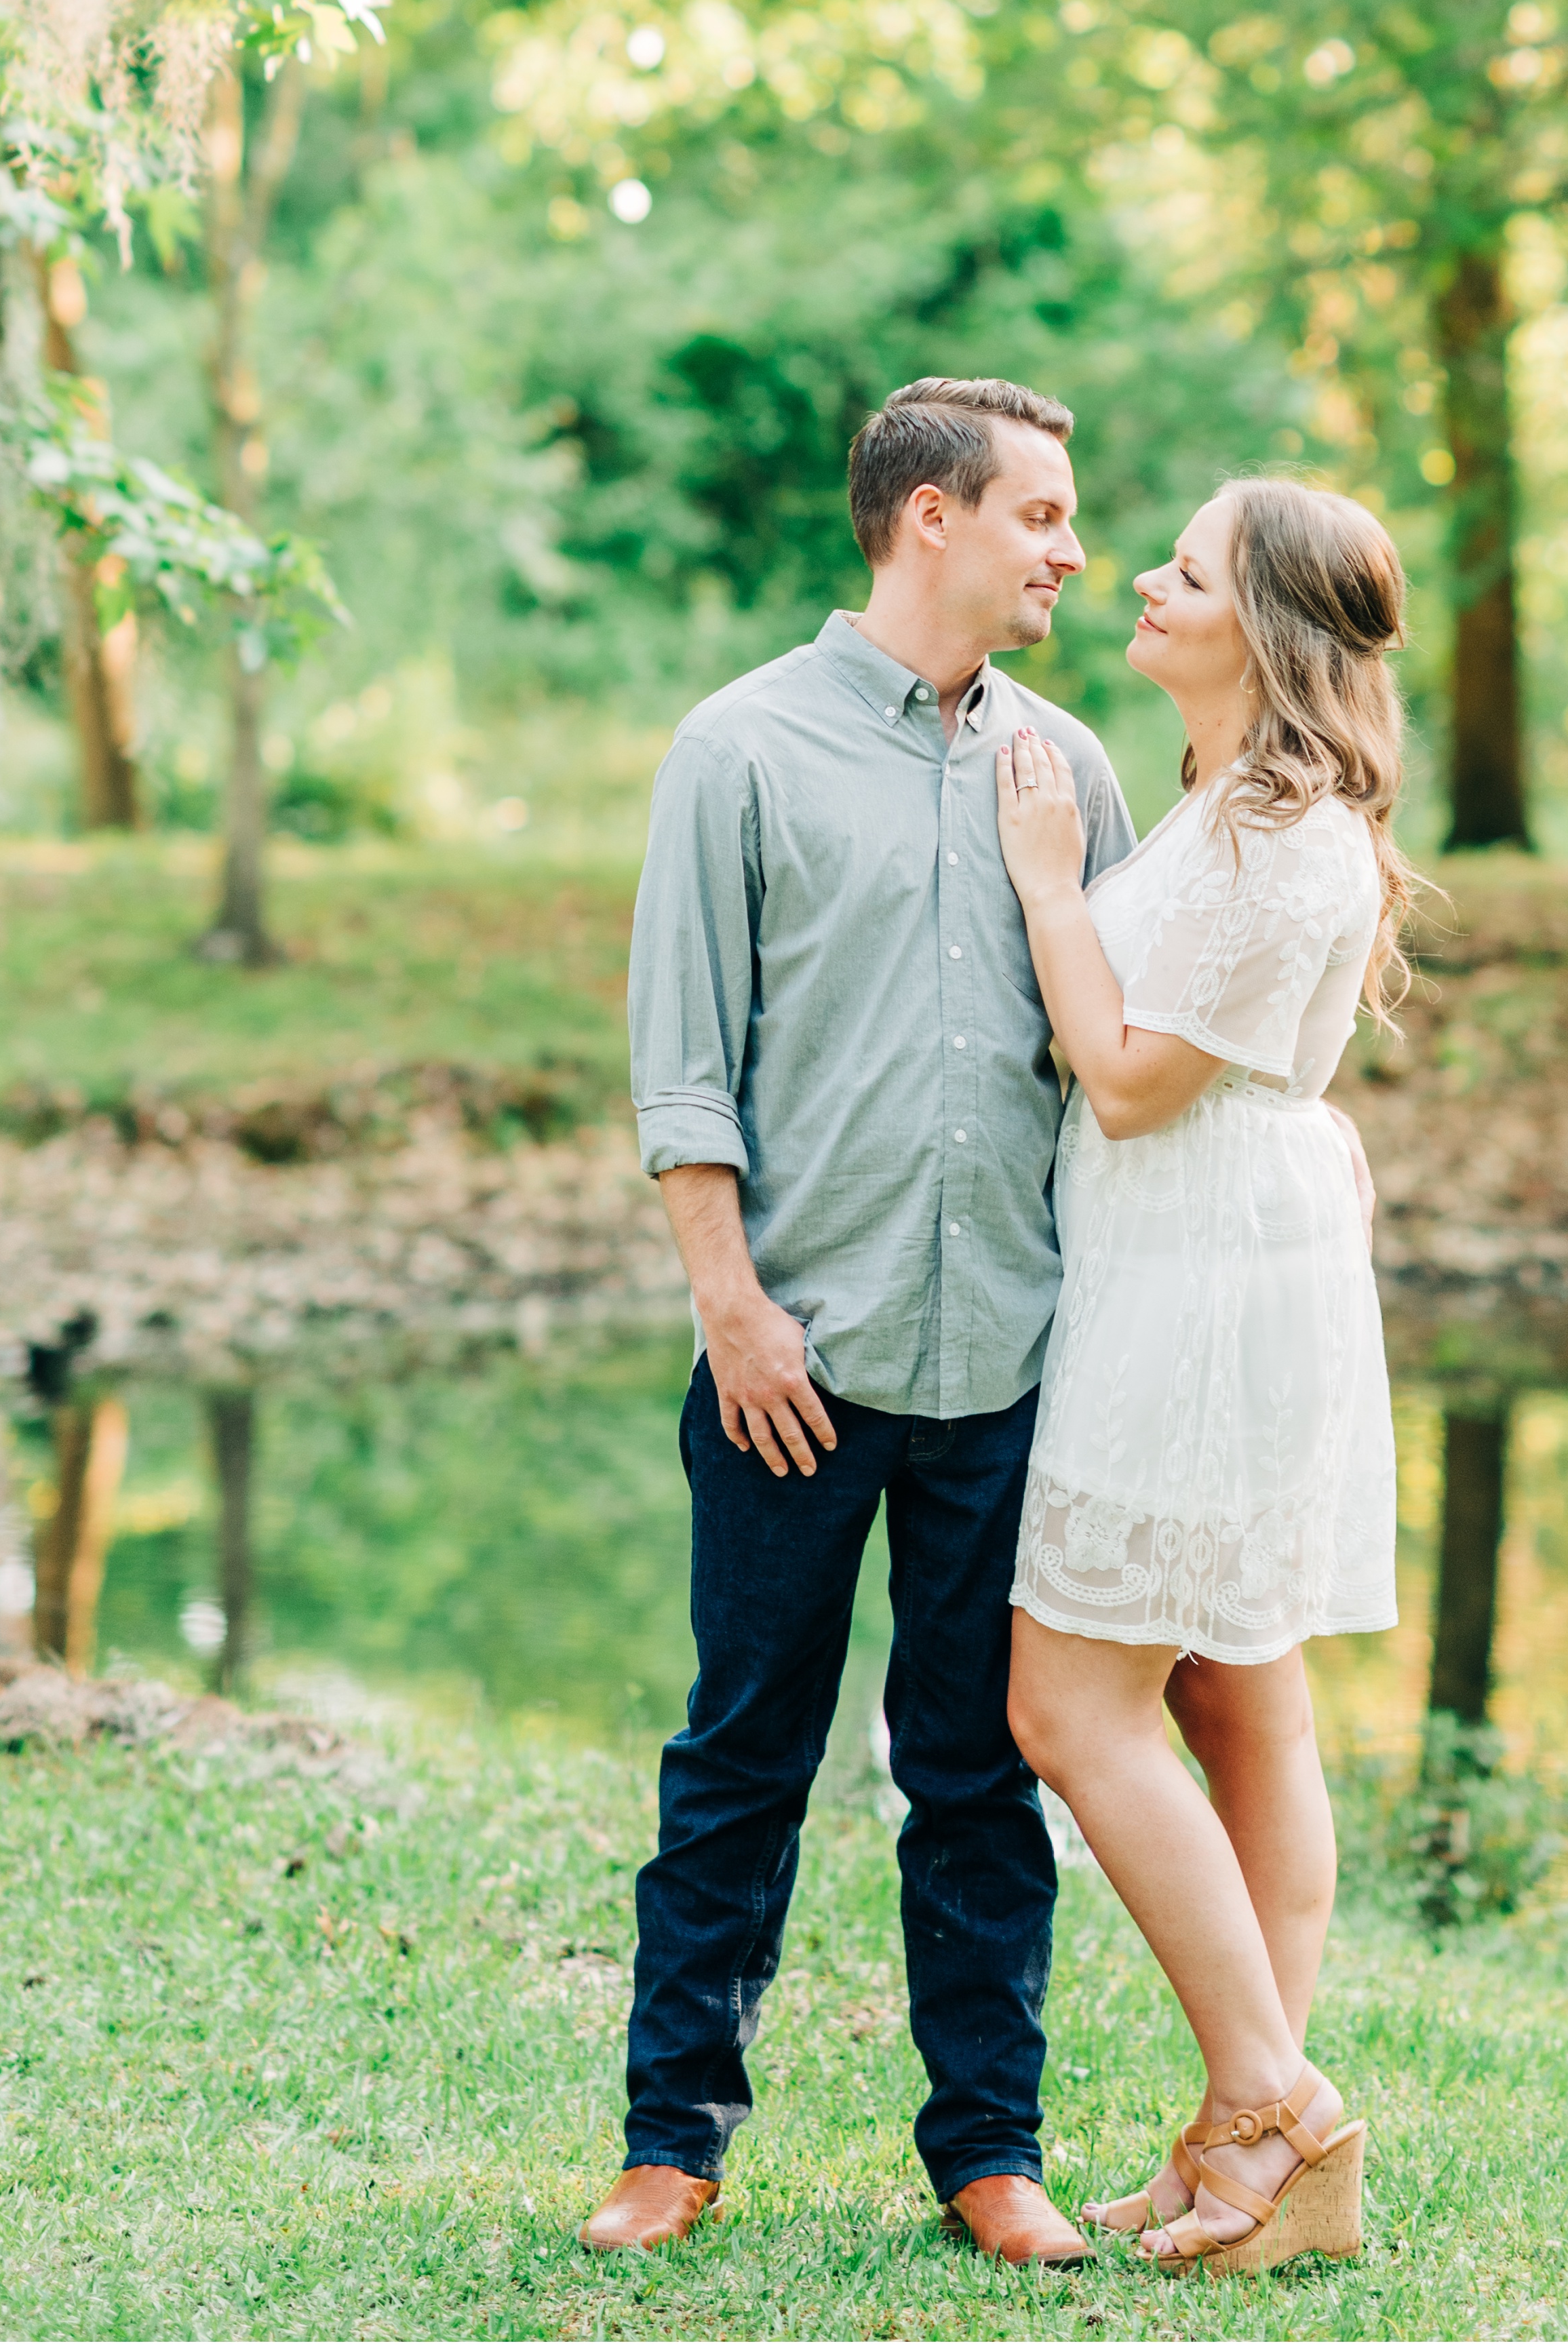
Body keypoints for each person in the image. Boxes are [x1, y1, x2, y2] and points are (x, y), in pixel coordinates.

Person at [579, 376, 1136, 2269]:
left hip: (1010, 1360)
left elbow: (1113, 1074)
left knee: (977, 1770)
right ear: (931, 518)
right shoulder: (734, 749)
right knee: (741, 1751)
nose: (1072, 549)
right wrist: (731, 1310)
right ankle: (673, 2142)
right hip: (787, 1366)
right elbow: (683, 1067)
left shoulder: (1070, 770)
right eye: (1042, 513)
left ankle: (989, 2149)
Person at [994, 474, 1411, 2277]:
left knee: (1070, 1702)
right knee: (1242, 1700)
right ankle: (1242, 2139)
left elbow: (1127, 1072)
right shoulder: (1227, 801)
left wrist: (1037, 885)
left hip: (1205, 1280)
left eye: (1183, 568)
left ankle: (1280, 2105)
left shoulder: (1283, 830)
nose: (1140, 583)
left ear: (1267, 626)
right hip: (1209, 1250)